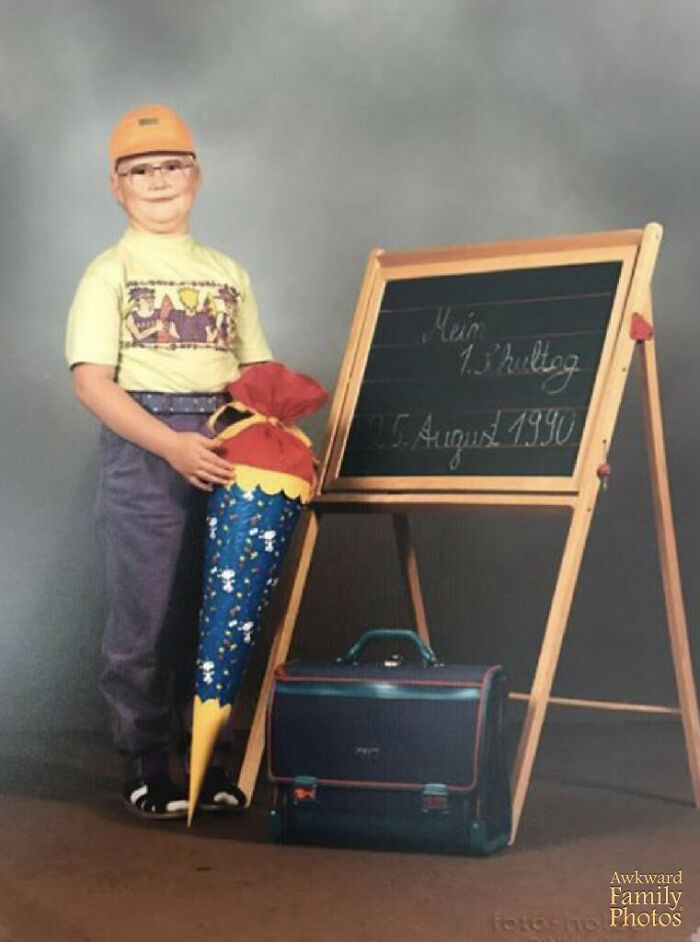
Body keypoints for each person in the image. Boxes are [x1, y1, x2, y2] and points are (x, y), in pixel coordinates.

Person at [65, 104, 273, 819]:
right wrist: (169, 444)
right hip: (145, 450)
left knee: (217, 616)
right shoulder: (110, 272)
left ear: (197, 176)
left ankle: (207, 761)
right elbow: (93, 383)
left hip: (224, 445)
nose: (158, 181)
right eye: (140, 171)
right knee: (145, 619)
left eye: (172, 166)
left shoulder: (227, 272)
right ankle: (148, 765)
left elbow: (255, 373)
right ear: (116, 187)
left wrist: (271, 427)